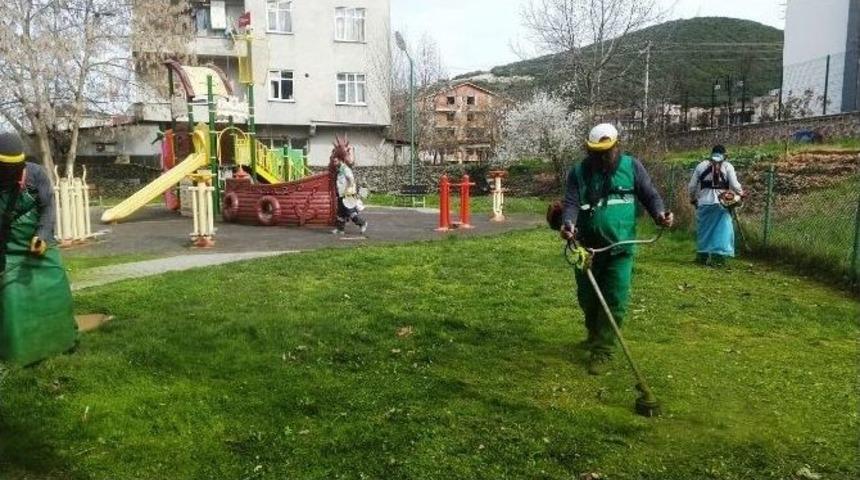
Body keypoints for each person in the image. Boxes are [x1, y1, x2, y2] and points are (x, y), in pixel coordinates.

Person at [560, 123, 673, 376]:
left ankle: (603, 350)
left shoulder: (632, 167)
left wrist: (660, 214)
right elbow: (571, 203)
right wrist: (568, 224)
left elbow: (650, 195)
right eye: (595, 151)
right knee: (588, 299)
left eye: (606, 151)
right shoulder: (578, 172)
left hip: (621, 248)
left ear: (616, 146)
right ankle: (594, 333)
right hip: (586, 249)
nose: (600, 156)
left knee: (614, 299)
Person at [0, 131, 76, 365]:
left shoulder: (36, 174)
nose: (10, 173)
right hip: (9, 249)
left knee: (55, 287)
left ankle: (63, 342)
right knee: (12, 299)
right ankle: (21, 355)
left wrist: (42, 235)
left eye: (15, 167)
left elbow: (47, 208)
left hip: (40, 245)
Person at [688, 145, 744, 266]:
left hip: (704, 203)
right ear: (724, 154)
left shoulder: (701, 165)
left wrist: (693, 199)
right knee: (722, 230)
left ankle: (702, 257)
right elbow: (735, 185)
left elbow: (692, 186)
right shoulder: (728, 166)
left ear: (711, 153)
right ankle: (718, 258)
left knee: (704, 230)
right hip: (722, 204)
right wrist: (741, 194)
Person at [331, 136, 368, 235]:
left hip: (348, 195)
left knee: (350, 212)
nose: (334, 163)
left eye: (335, 161)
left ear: (340, 160)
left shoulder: (345, 169)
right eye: (333, 161)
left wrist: (347, 190)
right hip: (342, 194)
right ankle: (340, 229)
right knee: (340, 213)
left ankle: (362, 223)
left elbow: (351, 180)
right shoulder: (340, 170)